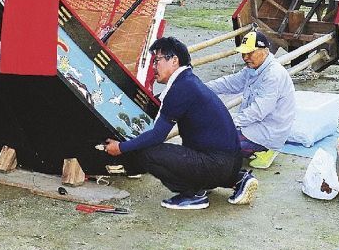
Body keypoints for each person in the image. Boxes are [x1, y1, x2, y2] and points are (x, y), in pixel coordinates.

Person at [104, 37, 258, 210]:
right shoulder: (187, 81)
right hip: (229, 162)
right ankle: (237, 179)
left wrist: (122, 147)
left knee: (147, 153)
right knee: (171, 151)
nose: (154, 67)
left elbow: (157, 135)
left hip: (215, 164)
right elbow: (157, 104)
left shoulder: (181, 88)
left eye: (157, 61)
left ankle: (193, 194)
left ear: (174, 60)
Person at [206, 30, 295, 165]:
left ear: (265, 50)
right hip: (254, 124)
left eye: (250, 53)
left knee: (217, 144)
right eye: (243, 53)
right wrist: (200, 87)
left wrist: (229, 122)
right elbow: (230, 83)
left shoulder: (273, 75)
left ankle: (266, 150)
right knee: (210, 135)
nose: (245, 57)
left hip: (268, 131)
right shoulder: (252, 69)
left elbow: (258, 111)